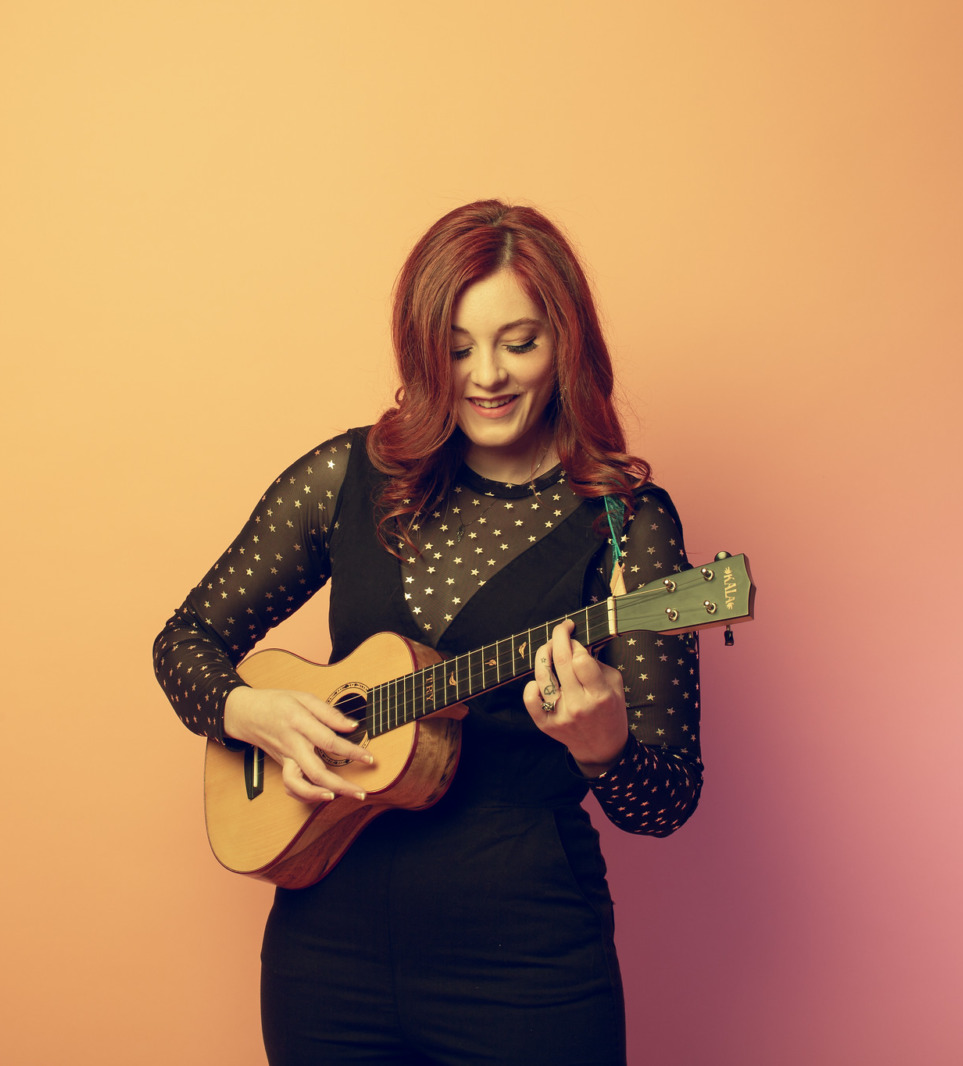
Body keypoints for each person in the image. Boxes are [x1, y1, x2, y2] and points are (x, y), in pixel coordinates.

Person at [153, 200, 702, 1066]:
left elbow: (666, 802)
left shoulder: (627, 525)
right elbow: (185, 641)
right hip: (323, 959)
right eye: (457, 347)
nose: (487, 375)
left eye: (519, 343)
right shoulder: (348, 476)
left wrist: (605, 745)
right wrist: (253, 714)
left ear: (566, 343)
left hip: (529, 968)